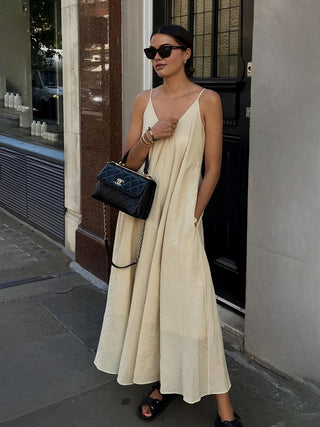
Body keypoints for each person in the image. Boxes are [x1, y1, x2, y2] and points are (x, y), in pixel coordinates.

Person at [94, 24, 243, 427]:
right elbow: (128, 165)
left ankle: (224, 411)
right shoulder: (145, 101)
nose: (157, 57)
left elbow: (213, 169)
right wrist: (151, 135)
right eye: (152, 52)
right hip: (144, 218)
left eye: (165, 49)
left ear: (186, 53)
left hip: (181, 219)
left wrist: (192, 216)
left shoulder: (207, 100)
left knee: (194, 307)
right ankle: (164, 384)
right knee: (154, 302)